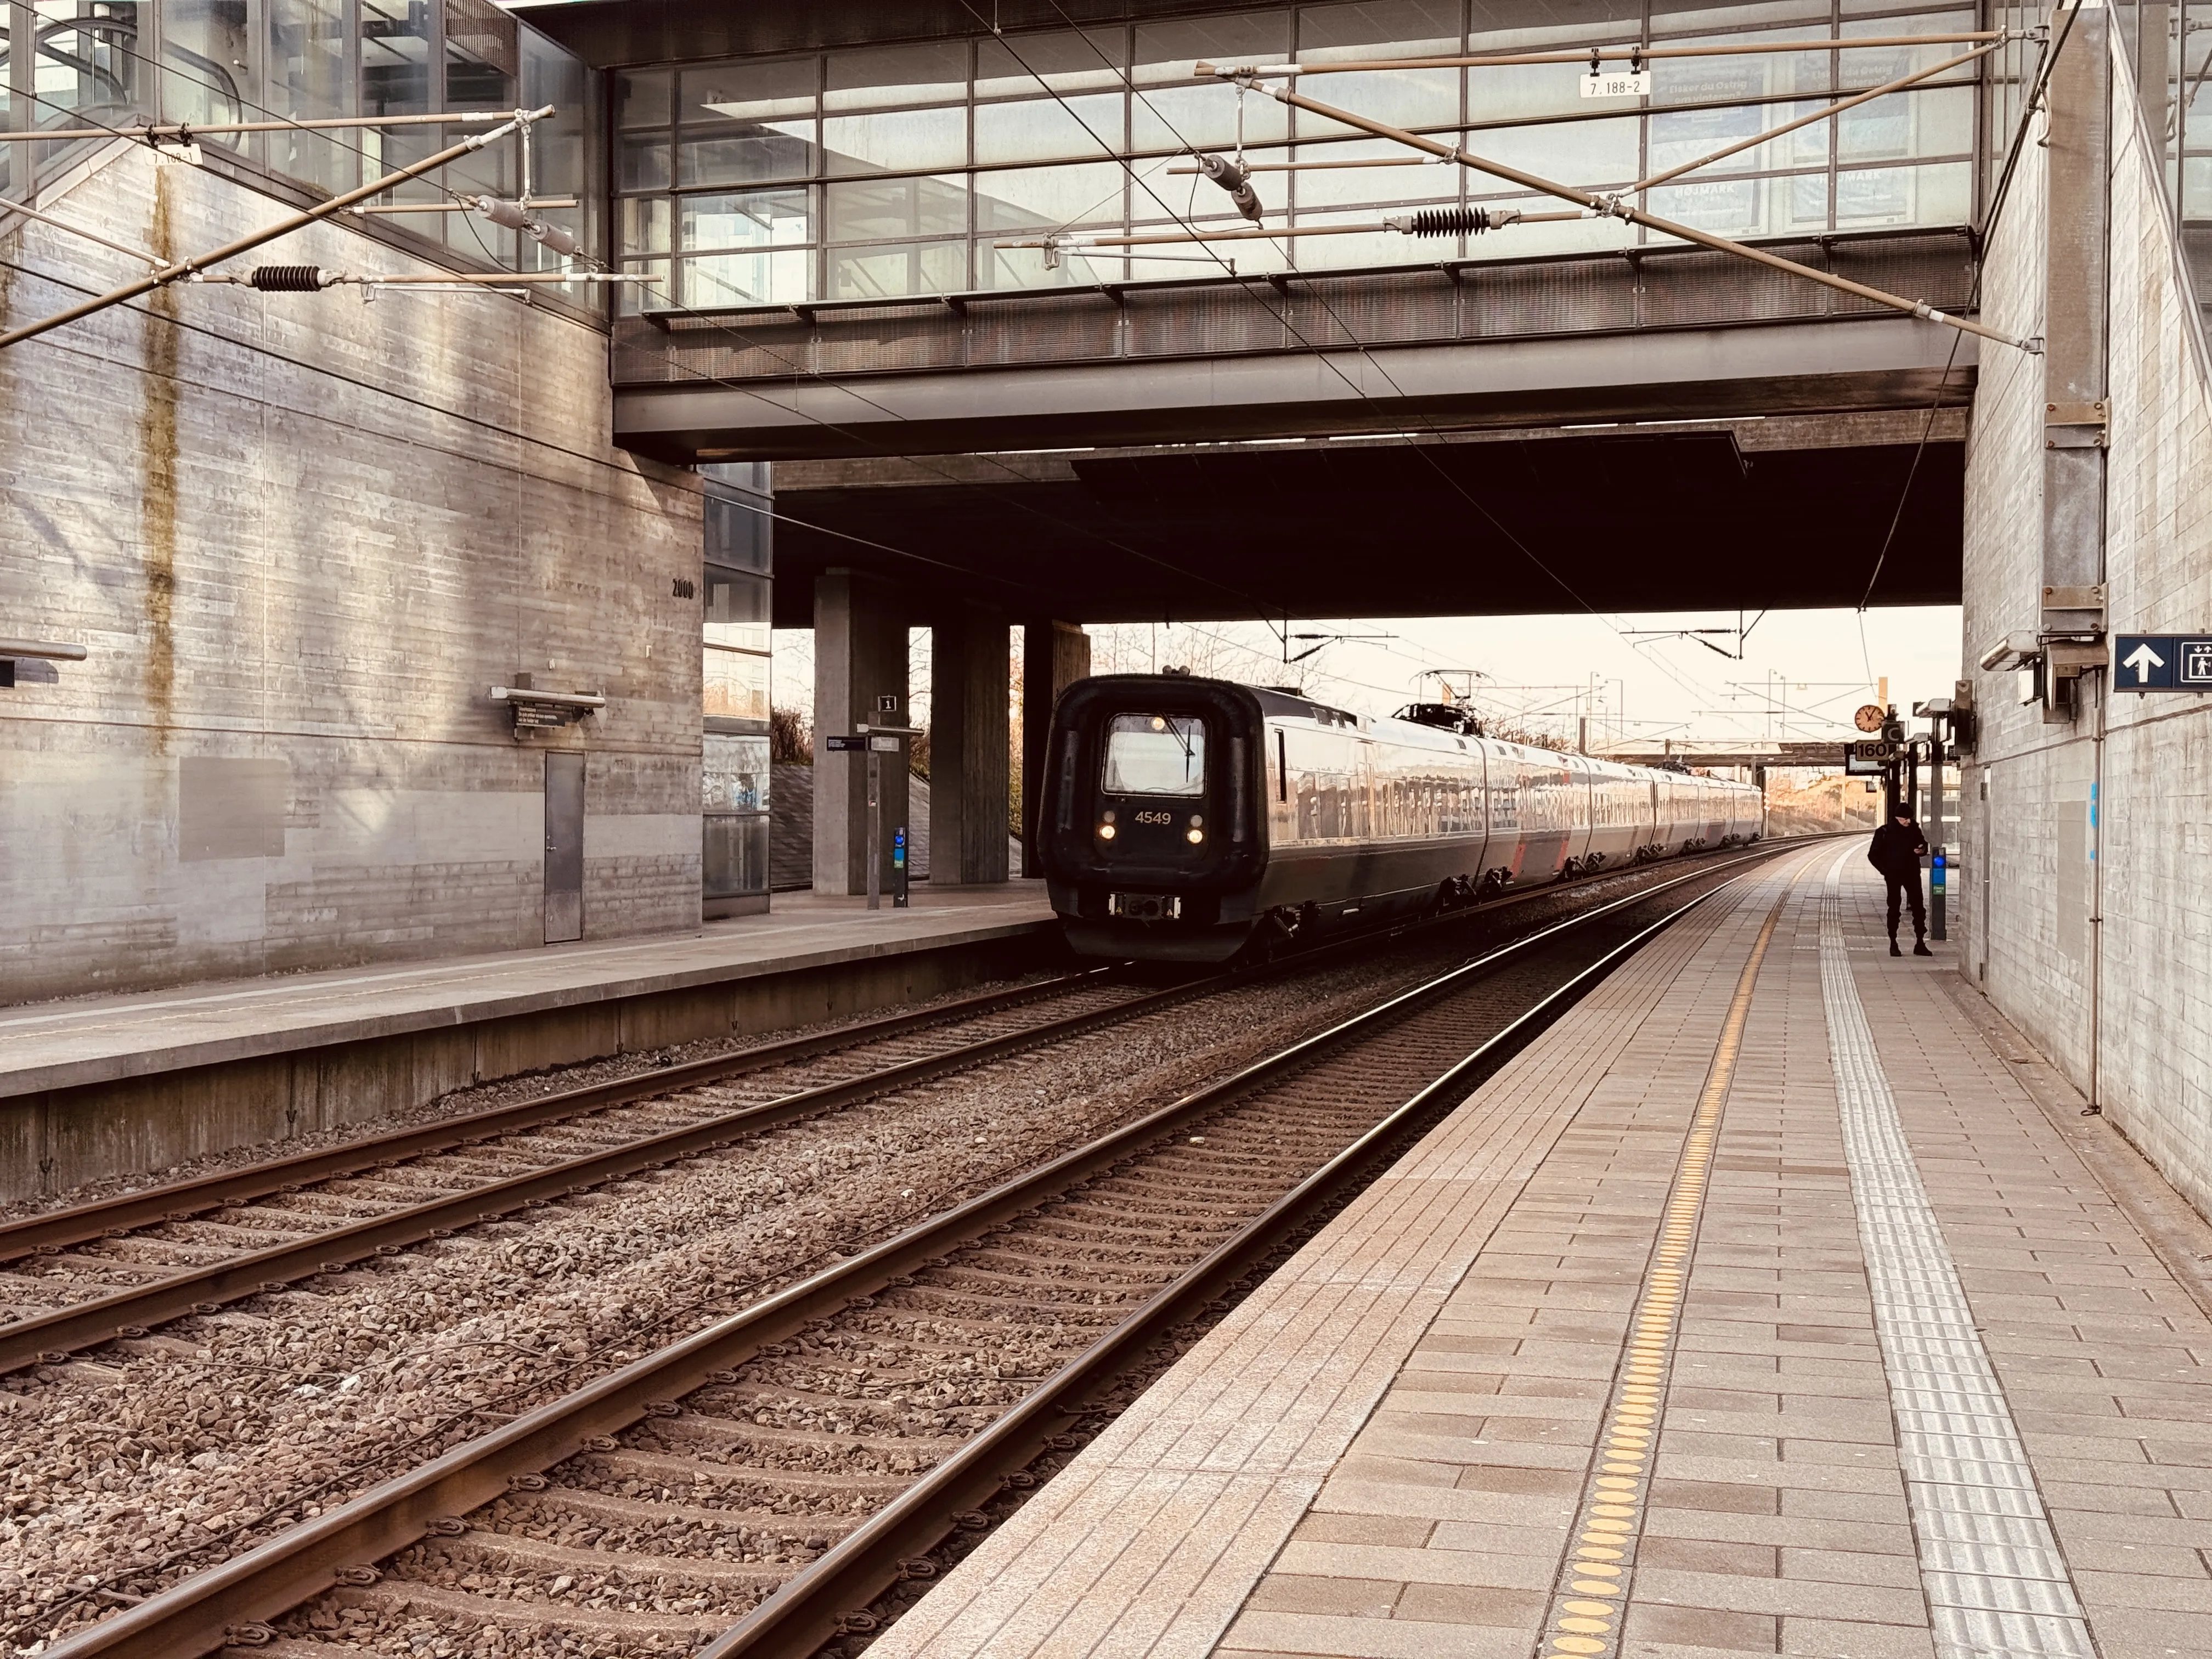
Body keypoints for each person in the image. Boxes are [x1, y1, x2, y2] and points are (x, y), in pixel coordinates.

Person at [1867, 807, 1932, 957]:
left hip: (1912, 873)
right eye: (1904, 819)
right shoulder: (1884, 832)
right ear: (1897, 818)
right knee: (1894, 907)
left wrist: (1922, 849)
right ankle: (1893, 943)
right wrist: (1885, 870)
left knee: (1919, 907)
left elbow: (1922, 844)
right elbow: (1873, 855)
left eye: (1909, 818)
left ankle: (1920, 942)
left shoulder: (1915, 830)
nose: (1908, 821)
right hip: (1894, 874)